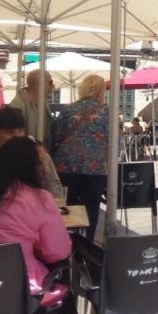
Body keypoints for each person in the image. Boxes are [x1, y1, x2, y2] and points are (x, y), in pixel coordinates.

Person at [0, 137, 77, 314]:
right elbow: (59, 251)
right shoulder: (40, 198)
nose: (46, 168)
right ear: (29, 165)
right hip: (22, 290)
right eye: (41, 162)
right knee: (65, 296)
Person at [53, 75, 109, 240]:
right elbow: (116, 142)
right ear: (101, 90)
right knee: (90, 209)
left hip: (66, 167)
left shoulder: (67, 110)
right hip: (95, 169)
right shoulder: (107, 111)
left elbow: (55, 136)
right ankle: (86, 250)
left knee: (66, 208)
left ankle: (65, 244)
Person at [0, 107, 62, 193]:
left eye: (20, 131)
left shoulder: (40, 156)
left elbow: (56, 190)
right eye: (10, 132)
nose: (17, 137)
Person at [9, 69, 55, 149]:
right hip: (25, 156)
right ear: (38, 84)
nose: (53, 86)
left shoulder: (42, 103)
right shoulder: (18, 106)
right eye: (50, 82)